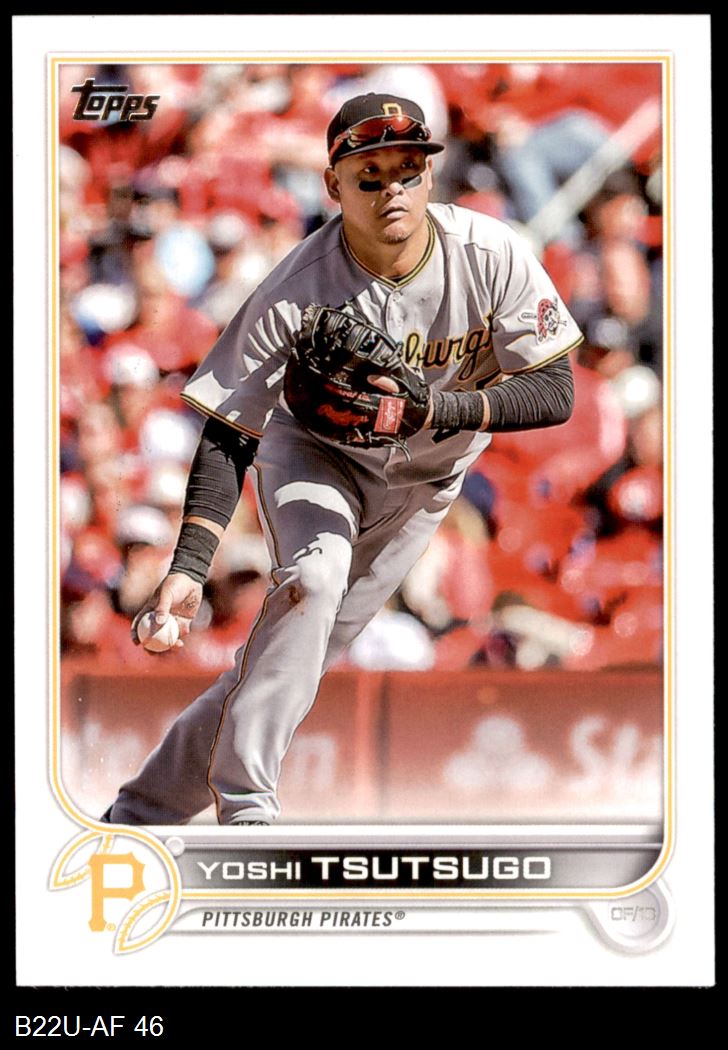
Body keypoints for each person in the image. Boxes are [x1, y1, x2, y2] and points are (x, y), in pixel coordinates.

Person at [101, 93, 583, 826]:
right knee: (314, 579)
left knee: (289, 663)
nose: (393, 190)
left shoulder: (490, 253)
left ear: (430, 176)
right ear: (333, 185)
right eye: (370, 175)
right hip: (318, 457)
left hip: (428, 478)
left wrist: (438, 409)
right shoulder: (298, 286)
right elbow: (230, 429)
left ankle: (140, 814)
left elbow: (555, 389)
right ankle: (247, 808)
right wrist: (189, 569)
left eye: (409, 170)